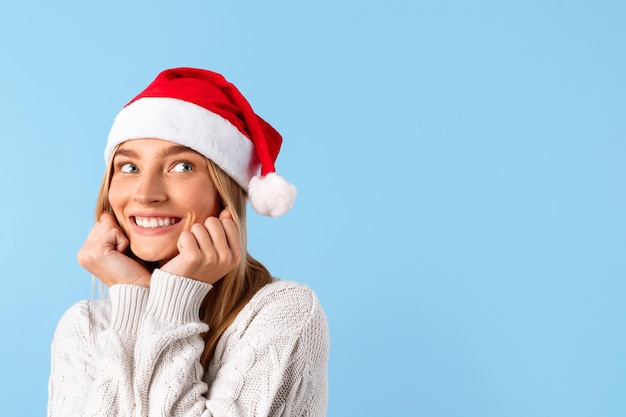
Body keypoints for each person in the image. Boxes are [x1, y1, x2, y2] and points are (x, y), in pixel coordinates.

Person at [48, 68, 329, 417]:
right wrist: (135, 293)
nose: (146, 194)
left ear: (224, 194)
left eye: (182, 167)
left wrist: (176, 298)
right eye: (129, 167)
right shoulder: (84, 326)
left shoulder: (284, 312)